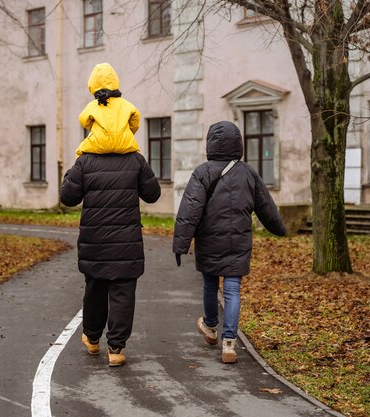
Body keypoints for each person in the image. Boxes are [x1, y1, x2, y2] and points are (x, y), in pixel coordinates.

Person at [60, 63, 161, 367]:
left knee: (95, 287)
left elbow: (68, 198)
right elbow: (152, 194)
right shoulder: (135, 159)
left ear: (93, 120)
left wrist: (72, 172)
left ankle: (92, 338)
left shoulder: (85, 161)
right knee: (122, 293)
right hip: (127, 241)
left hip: (94, 241)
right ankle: (116, 349)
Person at [172, 121, 286, 364]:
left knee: (210, 285)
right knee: (233, 289)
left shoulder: (202, 172)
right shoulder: (248, 173)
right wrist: (279, 229)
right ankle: (229, 344)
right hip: (239, 240)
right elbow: (266, 206)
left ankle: (211, 326)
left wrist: (181, 244)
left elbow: (190, 210)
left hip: (209, 240)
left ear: (210, 143)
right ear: (238, 143)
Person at [75, 63, 141, 158]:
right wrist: (123, 132)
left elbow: (83, 120)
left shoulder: (92, 106)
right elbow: (135, 122)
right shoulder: (127, 104)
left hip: (98, 142)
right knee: (138, 158)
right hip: (125, 142)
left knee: (79, 153)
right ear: (115, 80)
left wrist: (97, 126)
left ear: (93, 84)